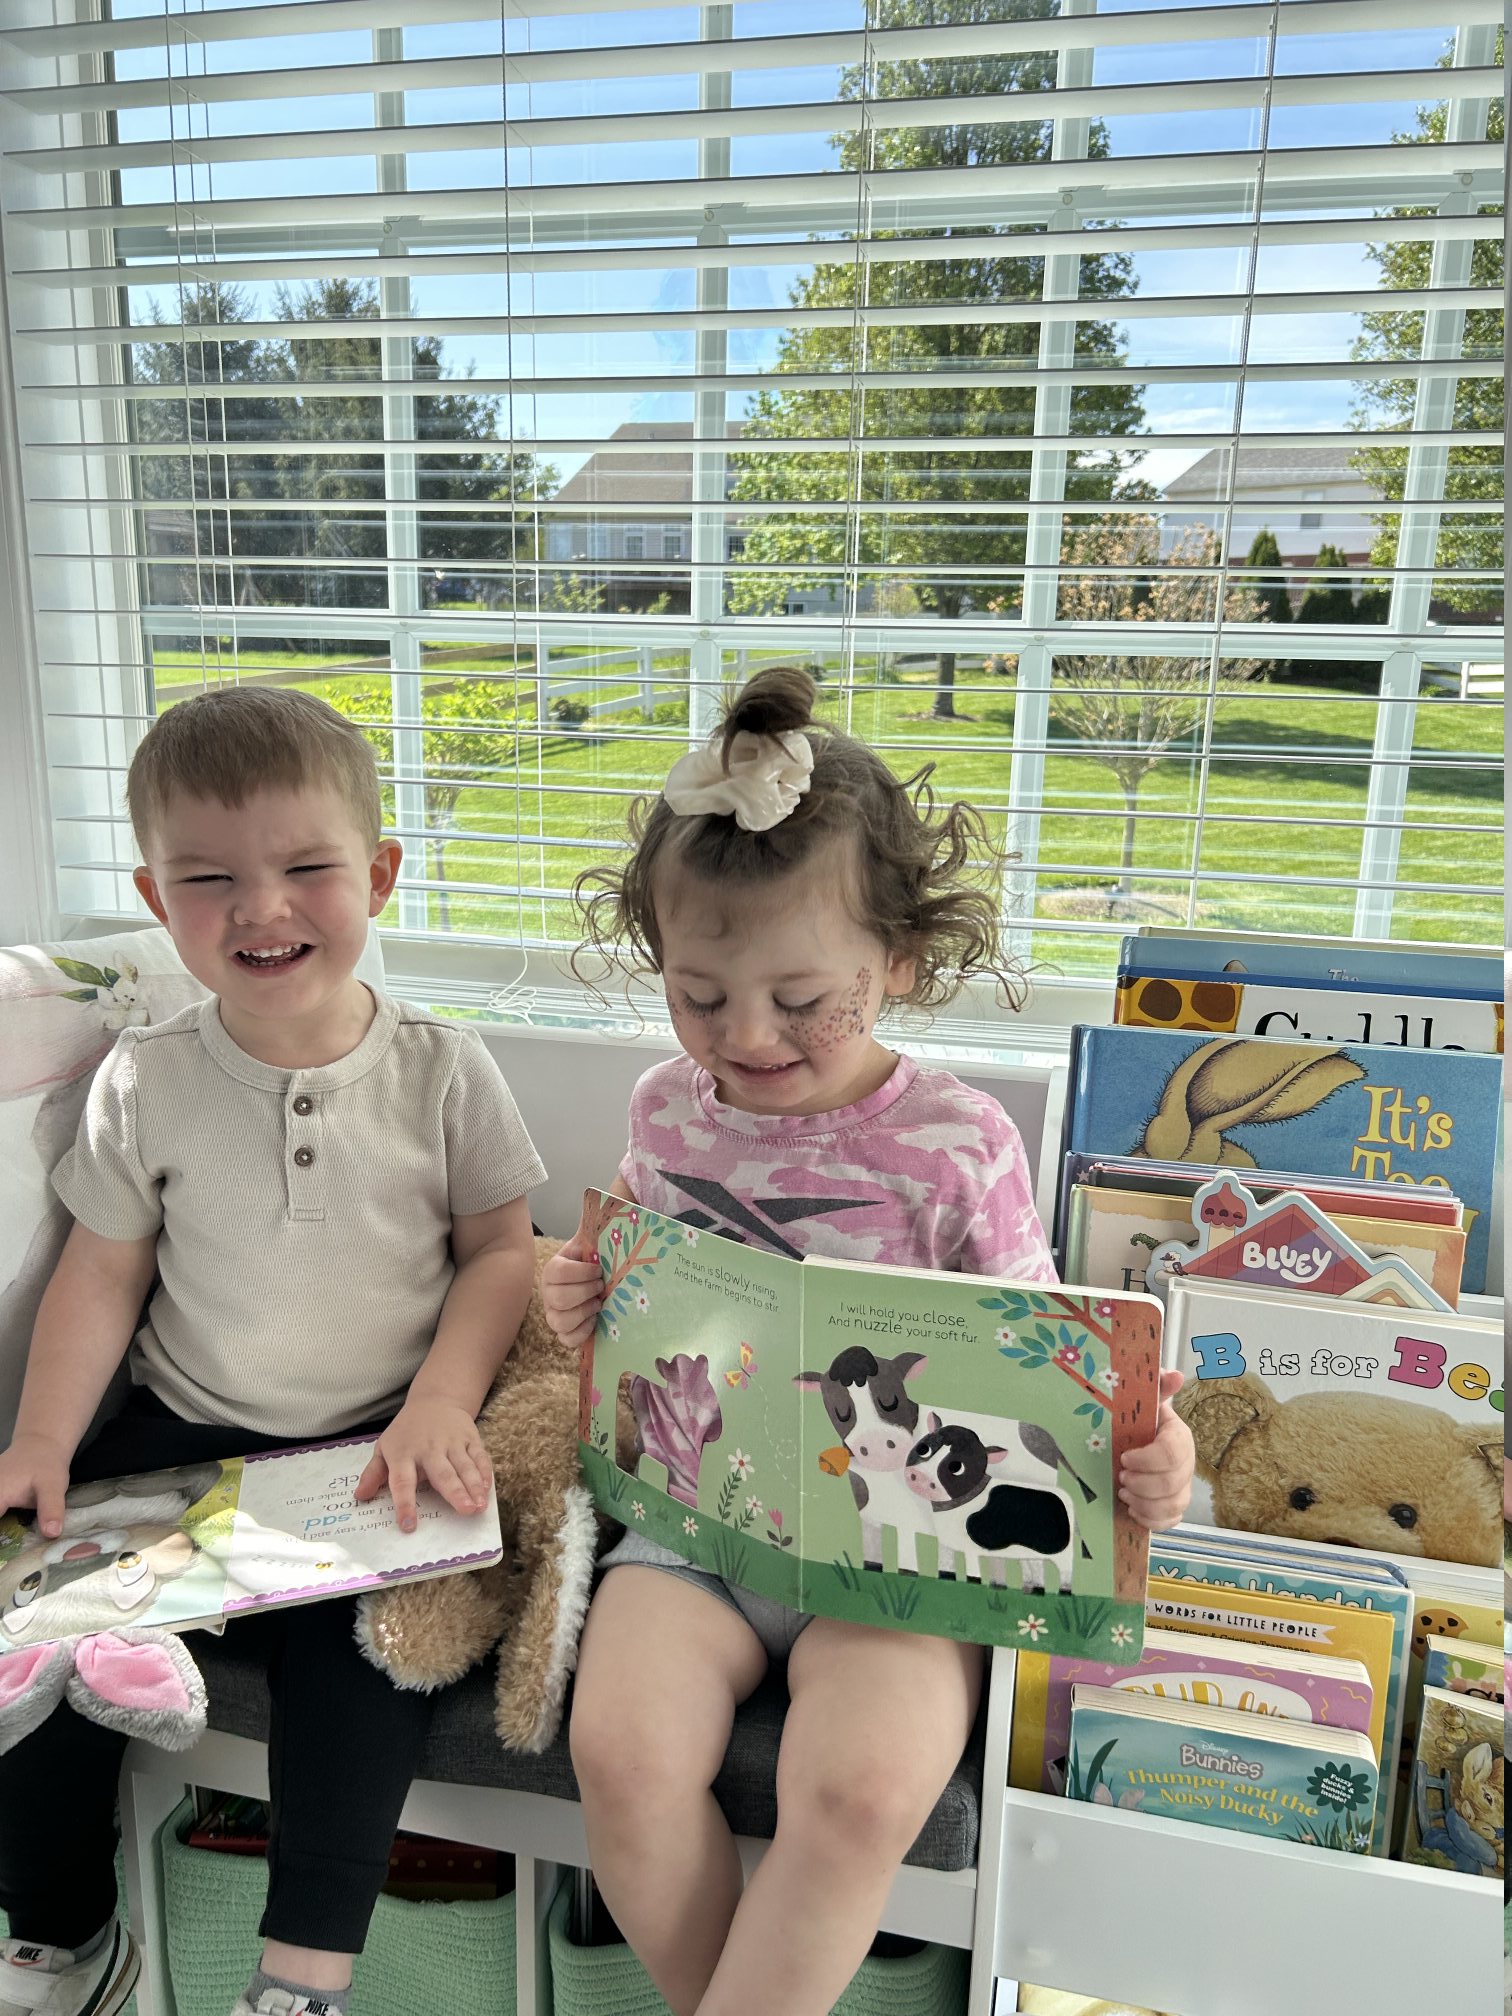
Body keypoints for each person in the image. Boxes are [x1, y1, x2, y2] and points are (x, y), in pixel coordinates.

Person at [542, 666, 1196, 2016]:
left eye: (800, 997)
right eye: (699, 994)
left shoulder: (958, 1144)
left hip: (900, 1546)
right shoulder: (668, 1111)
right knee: (617, 1748)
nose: (746, 1036)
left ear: (897, 962)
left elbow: (1051, 1365)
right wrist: (581, 1303)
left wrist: (1148, 1454)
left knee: (857, 1791)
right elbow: (637, 1301)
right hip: (699, 1523)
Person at [0, 688, 544, 2016]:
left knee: (363, 1676)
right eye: (209, 879)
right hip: (180, 1433)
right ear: (154, 891)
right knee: (37, 1647)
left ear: (380, 874)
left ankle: (300, 1980)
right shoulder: (145, 1074)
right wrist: (38, 1441)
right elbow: (103, 1269)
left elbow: (502, 1255)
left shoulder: (441, 1070)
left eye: (306, 869)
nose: (261, 908)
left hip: (368, 1448)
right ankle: (63, 1937)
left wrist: (440, 1403)